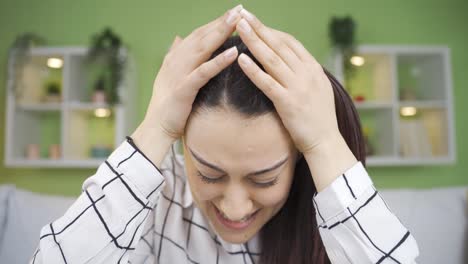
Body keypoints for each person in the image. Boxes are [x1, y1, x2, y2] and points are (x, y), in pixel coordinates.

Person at [30, 5, 419, 264]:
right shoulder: (154, 201)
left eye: (264, 178)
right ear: (183, 141)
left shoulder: (326, 207)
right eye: (209, 174)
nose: (235, 209)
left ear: (299, 156)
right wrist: (155, 126)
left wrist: (324, 142)